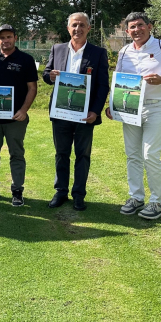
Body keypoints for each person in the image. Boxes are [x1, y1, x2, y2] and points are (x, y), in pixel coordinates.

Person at [105, 12, 161, 220]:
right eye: (132, 27)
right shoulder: (124, 51)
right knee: (132, 154)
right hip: (130, 107)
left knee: (150, 154)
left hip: (157, 106)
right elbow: (119, 79)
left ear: (149, 26)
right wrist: (112, 105)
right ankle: (136, 197)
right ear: (127, 31)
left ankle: (158, 202)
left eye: (140, 25)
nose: (137, 30)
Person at [43, 12, 109, 211]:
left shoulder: (98, 53)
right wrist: (51, 76)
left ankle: (79, 194)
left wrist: (95, 112)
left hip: (84, 115)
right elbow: (46, 74)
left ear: (89, 28)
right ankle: (60, 191)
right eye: (74, 25)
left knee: (83, 155)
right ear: (68, 28)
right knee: (61, 153)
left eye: (82, 25)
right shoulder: (57, 48)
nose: (77, 29)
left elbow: (102, 85)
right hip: (61, 112)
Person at [0, 24, 38, 206]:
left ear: (15, 38)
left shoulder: (25, 59)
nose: (6, 40)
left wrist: (24, 111)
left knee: (16, 154)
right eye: (2, 37)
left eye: (9, 36)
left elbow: (32, 88)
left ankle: (17, 190)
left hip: (15, 118)